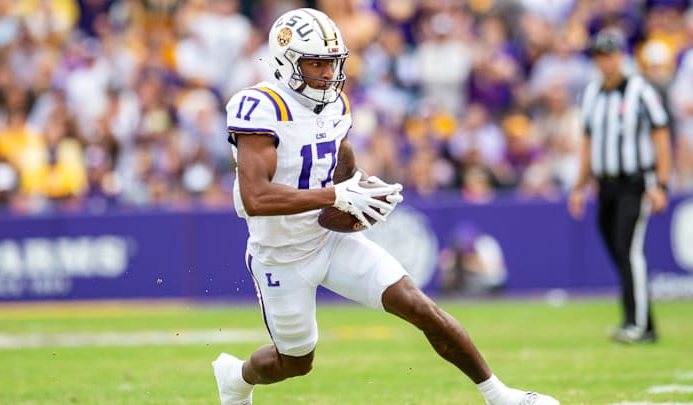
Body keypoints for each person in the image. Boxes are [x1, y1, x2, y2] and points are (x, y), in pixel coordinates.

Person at [213, 8, 559, 405]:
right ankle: (237, 379)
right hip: (280, 256)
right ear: (285, 60)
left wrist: (360, 184)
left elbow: (338, 153)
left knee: (418, 305)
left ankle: (501, 396)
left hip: (327, 239)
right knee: (295, 361)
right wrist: (336, 196)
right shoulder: (259, 107)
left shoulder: (334, 104)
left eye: (332, 63)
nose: (327, 74)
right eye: (316, 63)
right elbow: (256, 198)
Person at [568, 29, 672, 344]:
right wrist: (579, 185)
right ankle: (642, 321)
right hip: (605, 186)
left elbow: (661, 136)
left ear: (621, 56)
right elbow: (587, 142)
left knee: (628, 249)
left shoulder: (640, 89)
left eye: (610, 54)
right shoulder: (590, 94)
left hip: (635, 182)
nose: (605, 61)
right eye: (600, 55)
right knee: (618, 250)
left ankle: (637, 325)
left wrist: (662, 183)